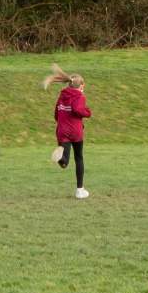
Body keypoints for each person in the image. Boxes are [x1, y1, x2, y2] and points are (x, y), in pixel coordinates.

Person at [44, 64, 91, 199]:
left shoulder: (62, 96)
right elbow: (77, 109)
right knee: (79, 157)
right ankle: (80, 190)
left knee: (65, 162)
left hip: (62, 131)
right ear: (81, 86)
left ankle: (60, 158)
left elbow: (56, 114)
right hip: (76, 132)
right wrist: (87, 113)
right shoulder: (80, 97)